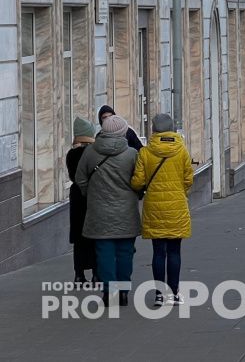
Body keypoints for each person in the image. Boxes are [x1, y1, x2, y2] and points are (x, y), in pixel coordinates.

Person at [75, 115, 140, 307]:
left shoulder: (90, 153)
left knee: (103, 252)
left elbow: (80, 178)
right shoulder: (131, 154)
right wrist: (135, 194)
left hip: (99, 211)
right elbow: (138, 180)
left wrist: (91, 193)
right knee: (125, 252)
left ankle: (108, 292)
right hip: (126, 211)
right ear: (122, 132)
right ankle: (123, 293)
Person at [130, 113, 194, 307]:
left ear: (154, 130)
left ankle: (160, 294)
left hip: (154, 206)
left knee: (158, 252)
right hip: (176, 205)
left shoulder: (146, 152)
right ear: (172, 128)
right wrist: (178, 192)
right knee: (175, 251)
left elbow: (138, 181)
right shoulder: (181, 150)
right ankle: (174, 293)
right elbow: (188, 179)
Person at [66, 117, 98, 284]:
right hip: (91, 195)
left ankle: (79, 275)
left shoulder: (71, 154)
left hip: (76, 196)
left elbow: (72, 176)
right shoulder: (92, 154)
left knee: (79, 238)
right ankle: (95, 273)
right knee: (94, 235)